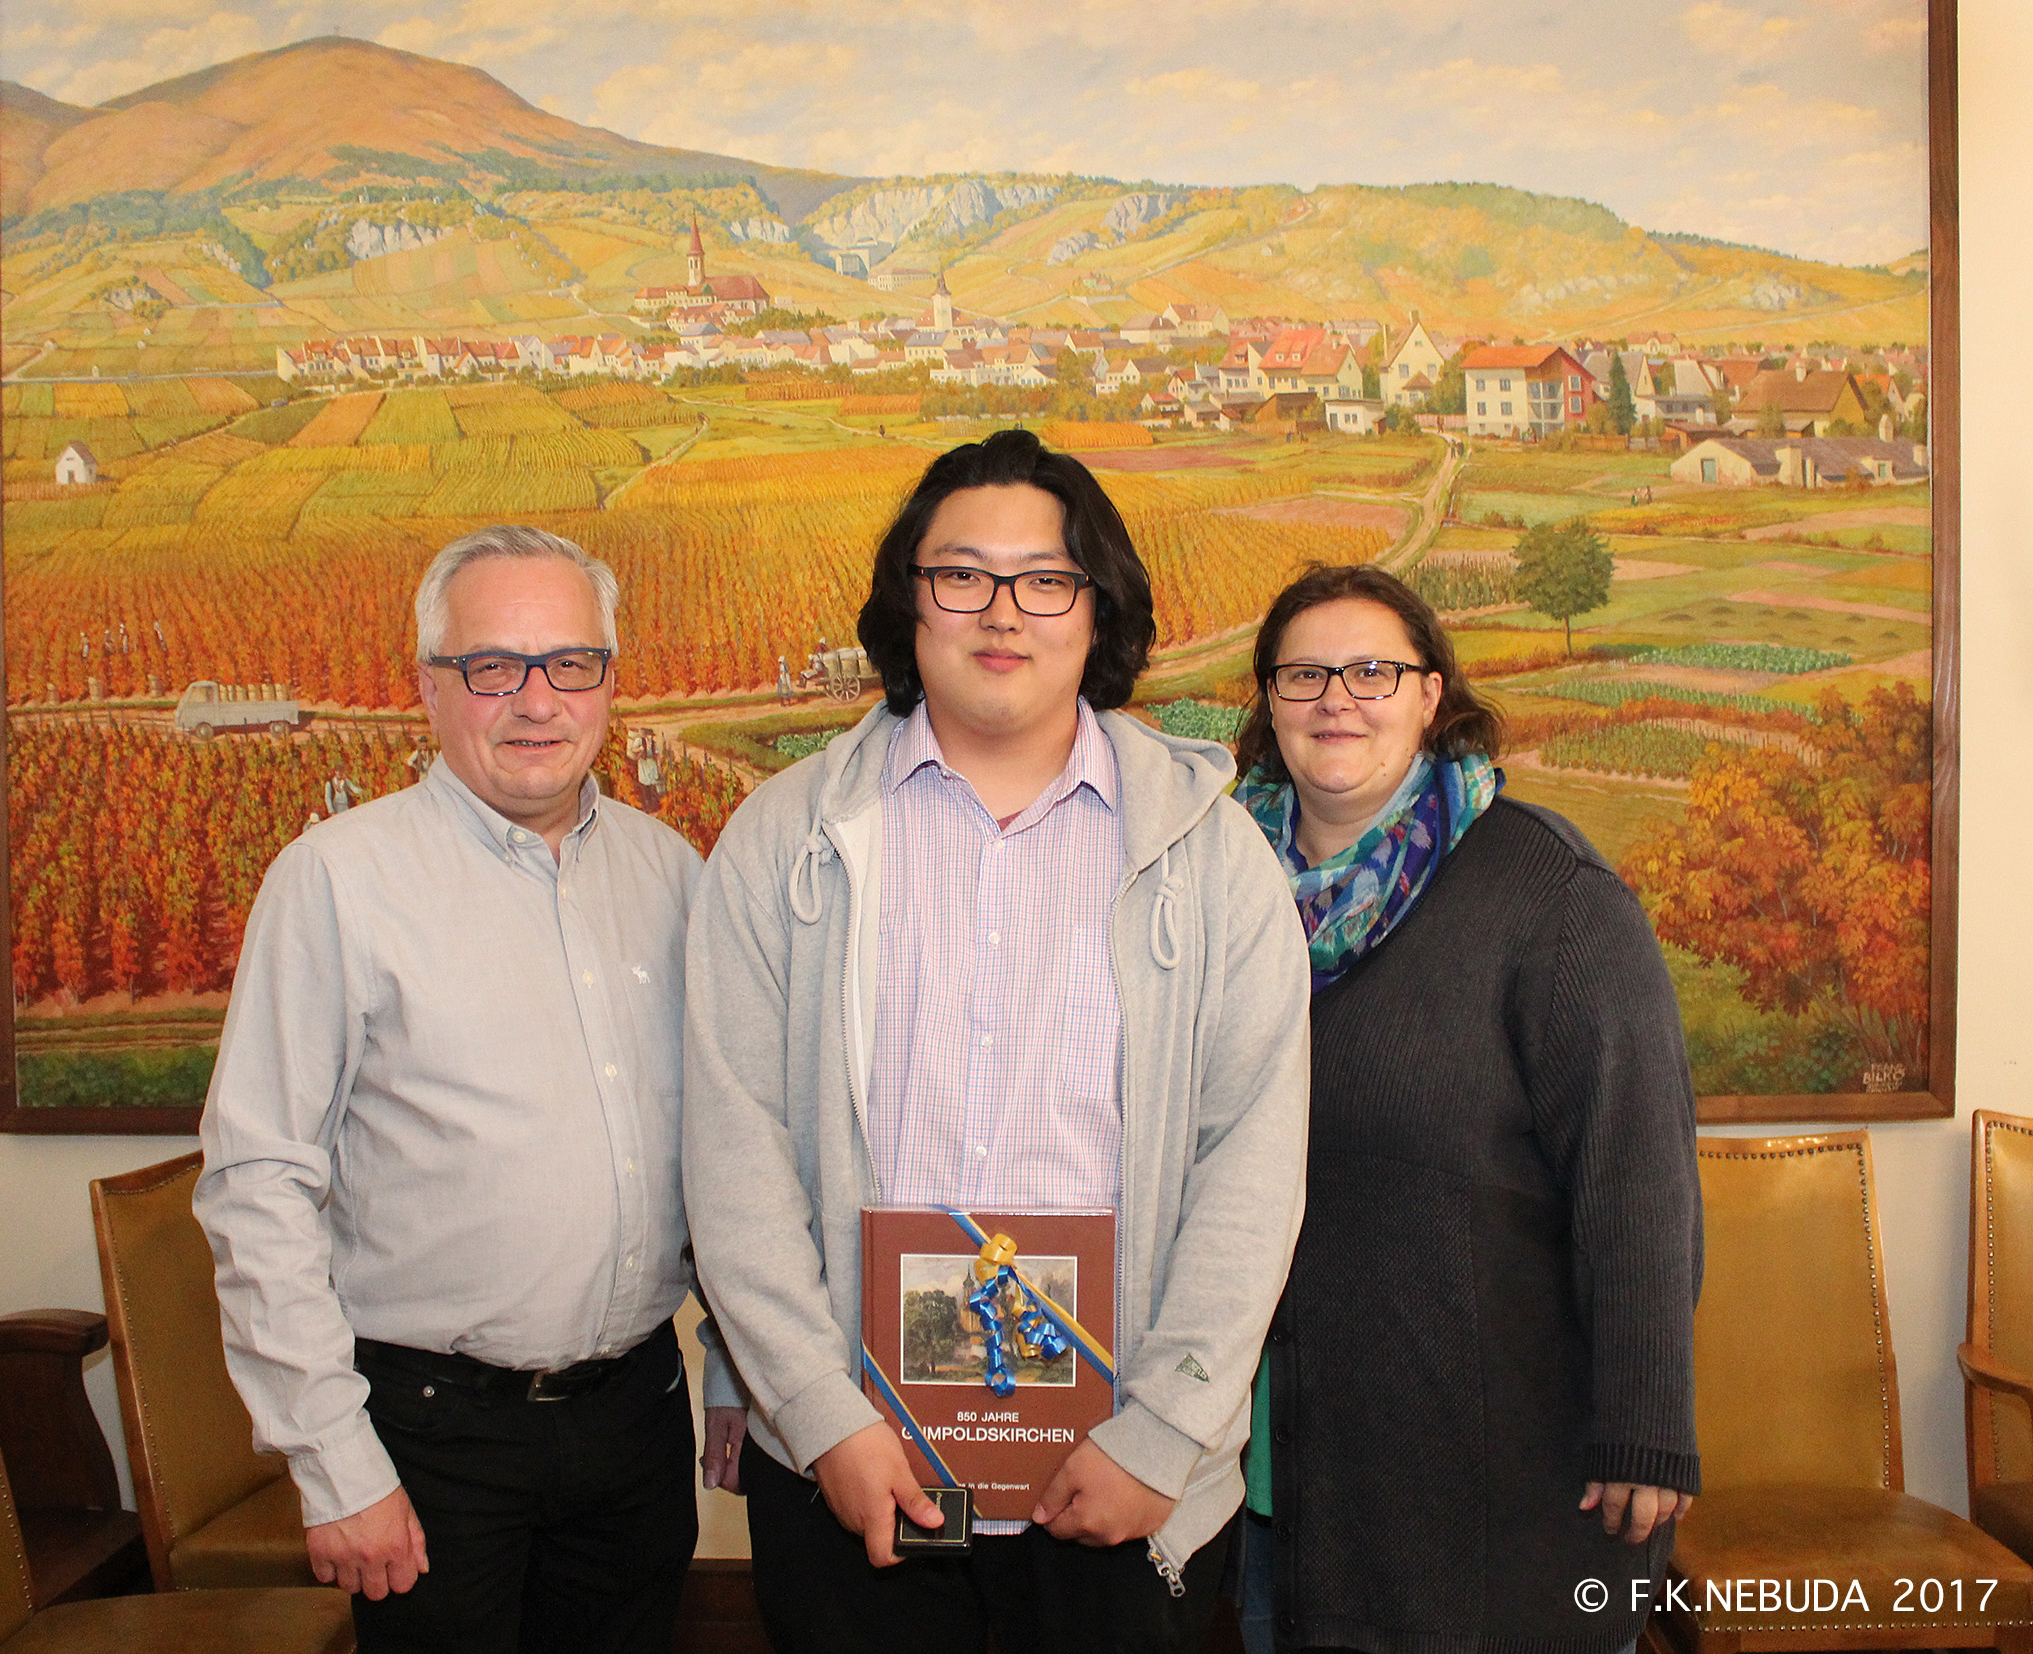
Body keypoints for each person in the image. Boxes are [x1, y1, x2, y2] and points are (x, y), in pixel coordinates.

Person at [683, 429, 1310, 1654]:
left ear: (1097, 608)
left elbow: (1251, 1159)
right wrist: (816, 1410)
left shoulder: (1209, 852)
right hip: (855, 1469)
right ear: (907, 602)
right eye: (960, 574)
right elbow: (732, 1147)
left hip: (1118, 1477)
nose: (1001, 611)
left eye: (1045, 579)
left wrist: (1162, 1431)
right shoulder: (784, 839)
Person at [195, 524, 745, 1654]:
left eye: (569, 663)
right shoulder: (336, 882)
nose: (537, 701)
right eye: (493, 666)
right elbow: (257, 1185)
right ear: (429, 689)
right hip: (433, 1441)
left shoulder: (671, 873)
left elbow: (723, 1149)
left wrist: (732, 1369)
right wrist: (335, 1464)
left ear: (610, 681)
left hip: (636, 1424)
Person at [1227, 564, 1701, 1654]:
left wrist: (1645, 1424)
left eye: (1373, 672)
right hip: (1277, 1485)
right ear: (1268, 701)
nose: (1336, 699)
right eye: (1304, 674)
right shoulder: (1219, 891)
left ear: (1432, 694)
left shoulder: (1551, 894)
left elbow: (1637, 1175)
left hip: (1494, 1480)